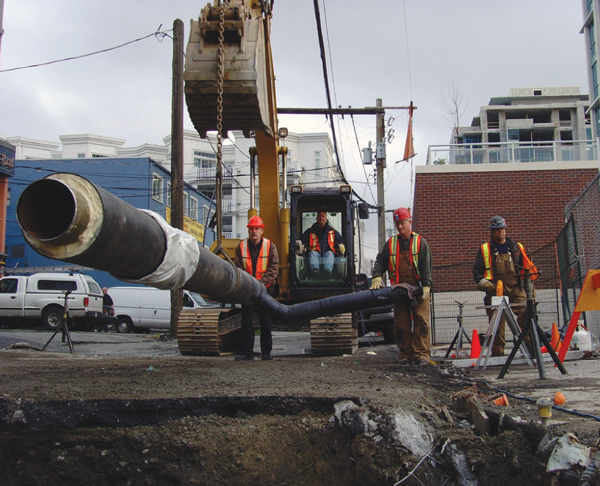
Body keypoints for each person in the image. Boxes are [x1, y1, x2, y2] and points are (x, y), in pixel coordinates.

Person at [370, 207, 433, 365]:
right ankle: (405, 354)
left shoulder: (420, 243)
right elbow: (380, 262)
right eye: (397, 223)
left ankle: (421, 355)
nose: (399, 226)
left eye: (402, 223)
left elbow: (426, 267)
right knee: (401, 325)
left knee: (421, 323)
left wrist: (426, 287)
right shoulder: (391, 244)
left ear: (409, 222)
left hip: (418, 291)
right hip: (399, 292)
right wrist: (377, 277)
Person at [473, 216, 537, 357]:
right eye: (497, 230)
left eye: (502, 229)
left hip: (515, 287)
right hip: (495, 289)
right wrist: (489, 287)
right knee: (497, 322)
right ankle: (497, 352)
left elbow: (526, 268)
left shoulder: (516, 247)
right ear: (491, 231)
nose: (500, 232)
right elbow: (477, 273)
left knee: (526, 313)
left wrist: (528, 289)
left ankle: (530, 347)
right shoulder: (485, 249)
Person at [234, 215, 279, 361]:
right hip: (247, 291)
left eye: (257, 228)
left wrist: (260, 284)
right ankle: (247, 353)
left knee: (265, 322)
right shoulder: (241, 247)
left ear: (262, 230)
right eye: (252, 229)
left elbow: (273, 268)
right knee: (246, 322)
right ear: (248, 230)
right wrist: (249, 284)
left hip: (265, 290)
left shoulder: (270, 246)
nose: (254, 231)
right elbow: (238, 268)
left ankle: (266, 353)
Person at [300, 211, 345, 279]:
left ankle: (327, 272)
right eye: (319, 216)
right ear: (316, 218)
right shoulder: (309, 231)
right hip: (315, 253)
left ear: (326, 219)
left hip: (328, 253)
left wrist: (341, 245)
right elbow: (302, 240)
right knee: (312, 253)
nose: (321, 218)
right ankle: (315, 271)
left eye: (323, 216)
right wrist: (302, 245)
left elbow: (340, 240)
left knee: (330, 254)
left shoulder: (332, 231)